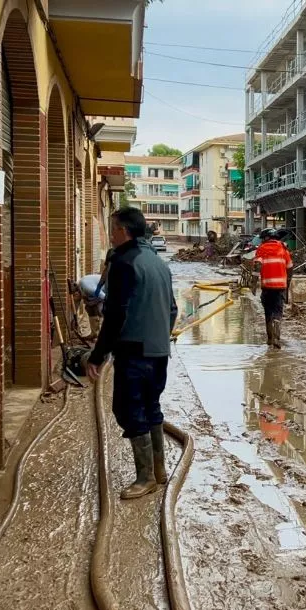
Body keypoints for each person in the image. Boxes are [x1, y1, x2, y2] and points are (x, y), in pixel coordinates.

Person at [87, 207, 178, 500]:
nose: (110, 234)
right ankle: (160, 470)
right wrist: (160, 336)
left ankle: (146, 477)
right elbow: (172, 309)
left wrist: (97, 355)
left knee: (129, 409)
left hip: (134, 351)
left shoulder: (125, 262)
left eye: (112, 229)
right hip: (159, 350)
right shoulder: (157, 262)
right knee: (151, 407)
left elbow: (116, 314)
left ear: (123, 231)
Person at [254, 228, 293, 349]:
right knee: (278, 312)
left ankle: (270, 339)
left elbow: (257, 267)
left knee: (268, 311)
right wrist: (288, 281)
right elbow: (290, 267)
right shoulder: (283, 248)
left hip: (266, 286)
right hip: (280, 286)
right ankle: (277, 338)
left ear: (266, 238)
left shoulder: (261, 249)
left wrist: (253, 284)